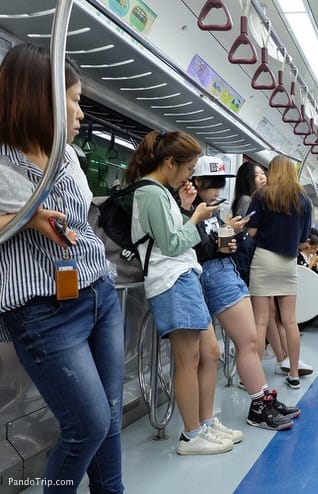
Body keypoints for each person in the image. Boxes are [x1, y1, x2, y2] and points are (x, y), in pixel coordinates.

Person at [0, 43, 125, 492]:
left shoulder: (66, 154)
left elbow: (79, 217)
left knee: (108, 420)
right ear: (43, 101)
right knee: (87, 425)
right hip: (41, 311)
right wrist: (29, 216)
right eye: (74, 100)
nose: (80, 113)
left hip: (97, 293)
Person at [125, 130, 236, 455]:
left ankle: (204, 421)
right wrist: (198, 218)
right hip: (171, 280)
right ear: (171, 162)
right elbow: (172, 244)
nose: (191, 176)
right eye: (188, 169)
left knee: (210, 353)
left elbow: (170, 236)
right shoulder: (150, 193)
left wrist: (187, 209)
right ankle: (191, 434)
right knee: (188, 360)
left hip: (185, 277)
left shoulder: (162, 193)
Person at [190, 156, 296, 431]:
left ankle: (261, 398)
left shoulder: (211, 210)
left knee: (248, 340)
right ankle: (259, 404)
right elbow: (194, 249)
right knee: (248, 341)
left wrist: (230, 234)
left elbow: (211, 244)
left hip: (228, 271)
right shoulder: (193, 211)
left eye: (220, 183)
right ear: (197, 181)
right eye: (212, 183)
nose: (217, 189)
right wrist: (220, 244)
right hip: (215, 275)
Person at [246, 155, 312, 389]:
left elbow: (251, 232)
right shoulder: (304, 200)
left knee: (261, 321)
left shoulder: (262, 195)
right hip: (288, 263)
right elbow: (304, 239)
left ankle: (254, 378)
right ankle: (293, 373)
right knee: (290, 320)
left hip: (264, 259)